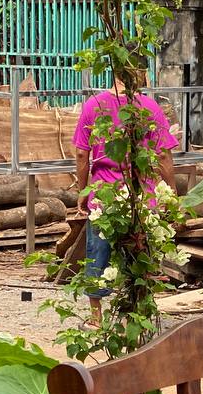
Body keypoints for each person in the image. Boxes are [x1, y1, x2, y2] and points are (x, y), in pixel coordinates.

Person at [73, 74, 178, 324]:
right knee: (139, 254)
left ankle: (96, 317)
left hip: (102, 194)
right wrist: (172, 190)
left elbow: (80, 153)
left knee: (97, 252)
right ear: (137, 72)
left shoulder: (93, 106)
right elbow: (163, 155)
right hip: (140, 195)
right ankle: (137, 313)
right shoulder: (149, 107)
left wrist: (82, 191)